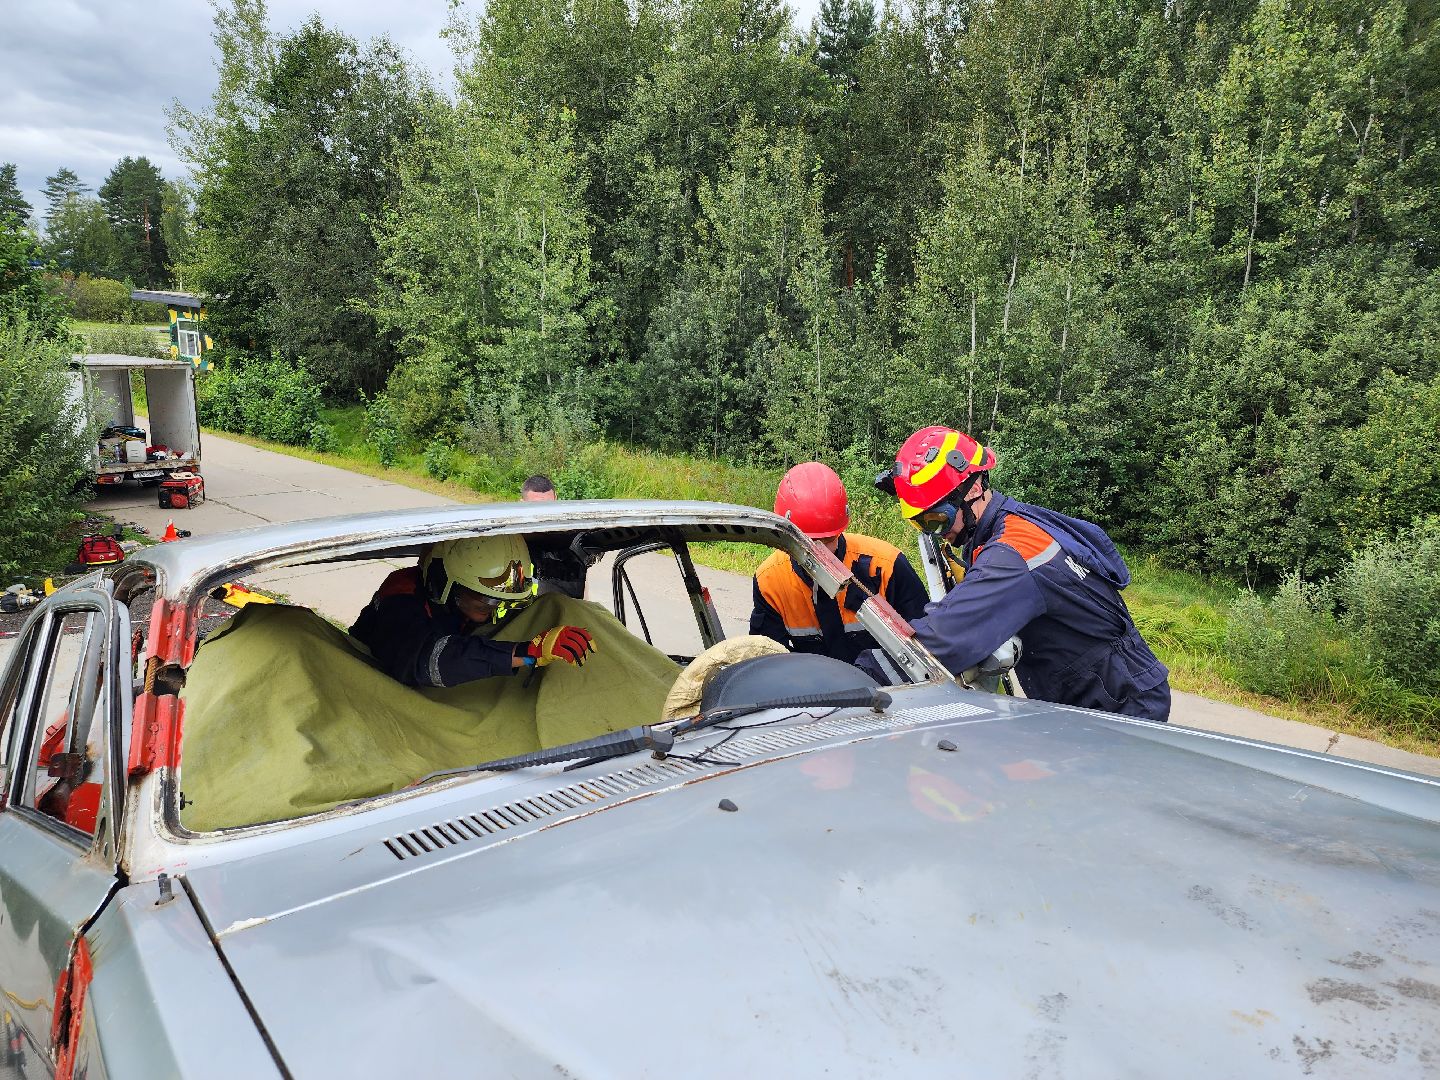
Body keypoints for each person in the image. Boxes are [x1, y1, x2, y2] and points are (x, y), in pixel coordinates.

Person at [872, 426, 1171, 721]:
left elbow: (943, 639)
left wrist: (862, 676)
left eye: (937, 520)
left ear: (974, 488)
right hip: (1093, 691)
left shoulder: (1014, 554)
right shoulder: (1004, 525)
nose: (935, 533)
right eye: (920, 523)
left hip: (1119, 702)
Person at [350, 535, 595, 688]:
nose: (492, 609)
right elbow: (424, 660)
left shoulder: (457, 604)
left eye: (499, 602)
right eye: (485, 601)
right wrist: (526, 653)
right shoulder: (400, 597)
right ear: (443, 582)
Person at [751, 461, 930, 665]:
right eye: (807, 543)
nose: (820, 553)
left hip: (881, 684)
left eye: (829, 540)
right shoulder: (770, 580)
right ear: (784, 536)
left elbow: (926, 647)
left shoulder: (885, 565)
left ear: (841, 528)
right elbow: (769, 662)